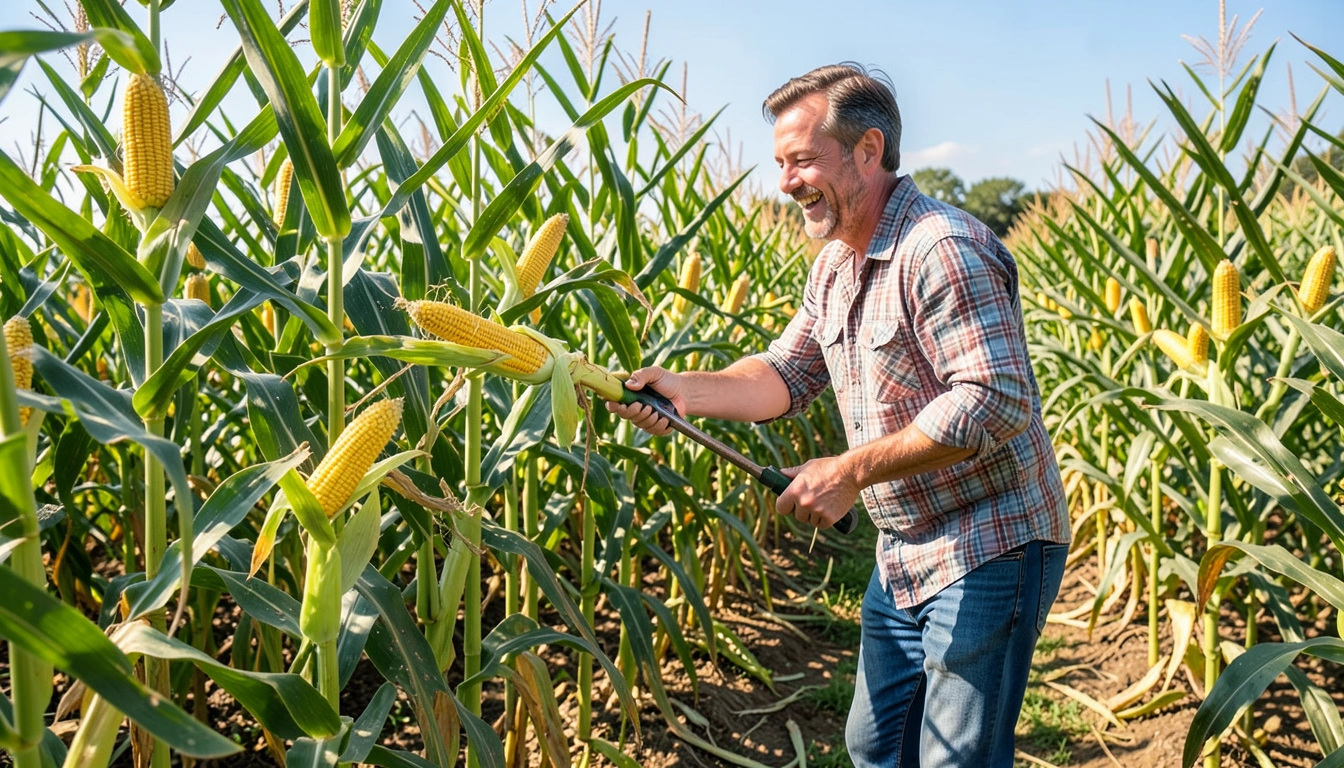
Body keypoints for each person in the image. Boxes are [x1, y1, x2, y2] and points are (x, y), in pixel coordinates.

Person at [606, 62, 1071, 767]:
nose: (787, 181)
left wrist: (849, 470)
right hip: (904, 546)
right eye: (780, 164)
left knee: (956, 758)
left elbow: (995, 400)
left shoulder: (942, 250)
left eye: (802, 160)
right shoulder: (834, 265)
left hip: (990, 540)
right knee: (876, 746)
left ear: (869, 151)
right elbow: (784, 375)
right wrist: (683, 392)